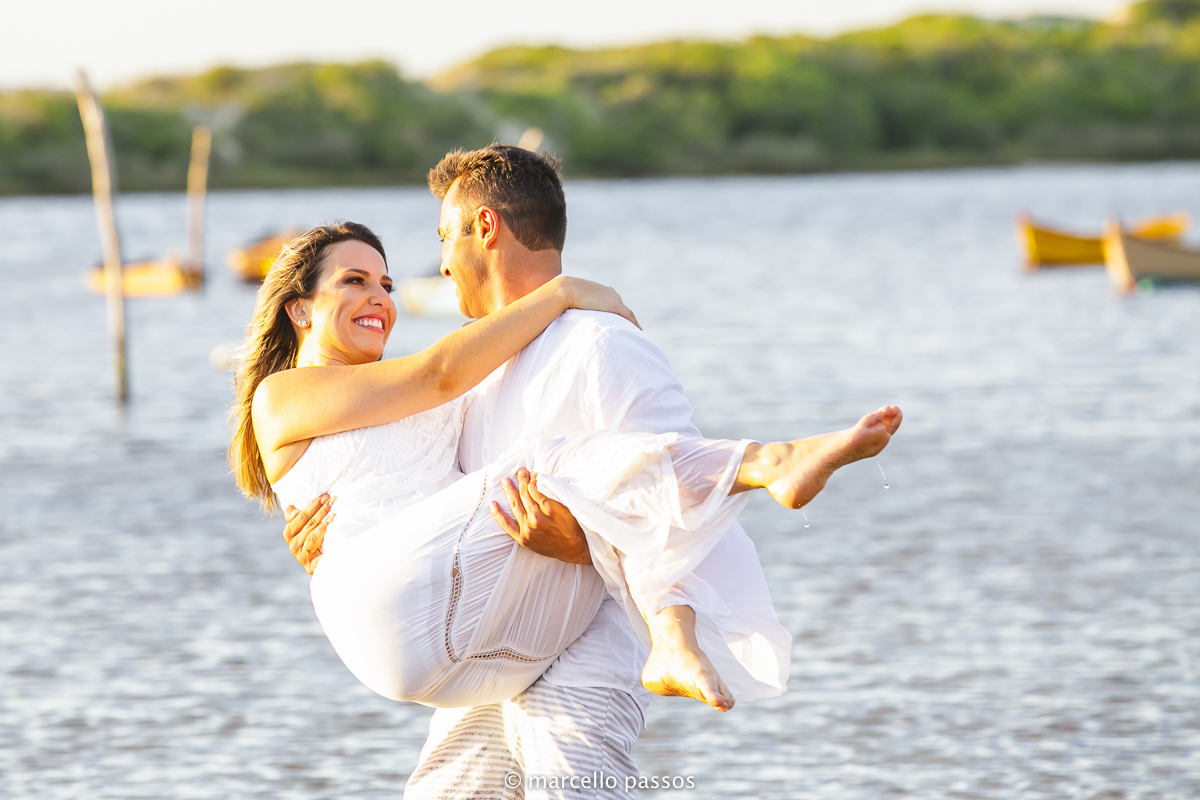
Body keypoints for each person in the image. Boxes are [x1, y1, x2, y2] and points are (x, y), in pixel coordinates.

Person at [273, 145, 901, 798]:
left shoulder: (602, 342)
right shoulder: (473, 374)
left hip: (581, 631)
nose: (437, 263)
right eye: (358, 280)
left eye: (443, 238)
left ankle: (768, 465)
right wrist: (336, 540)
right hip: (476, 628)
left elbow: (664, 492)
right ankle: (763, 464)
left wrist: (593, 556)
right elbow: (411, 477)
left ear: (484, 229)